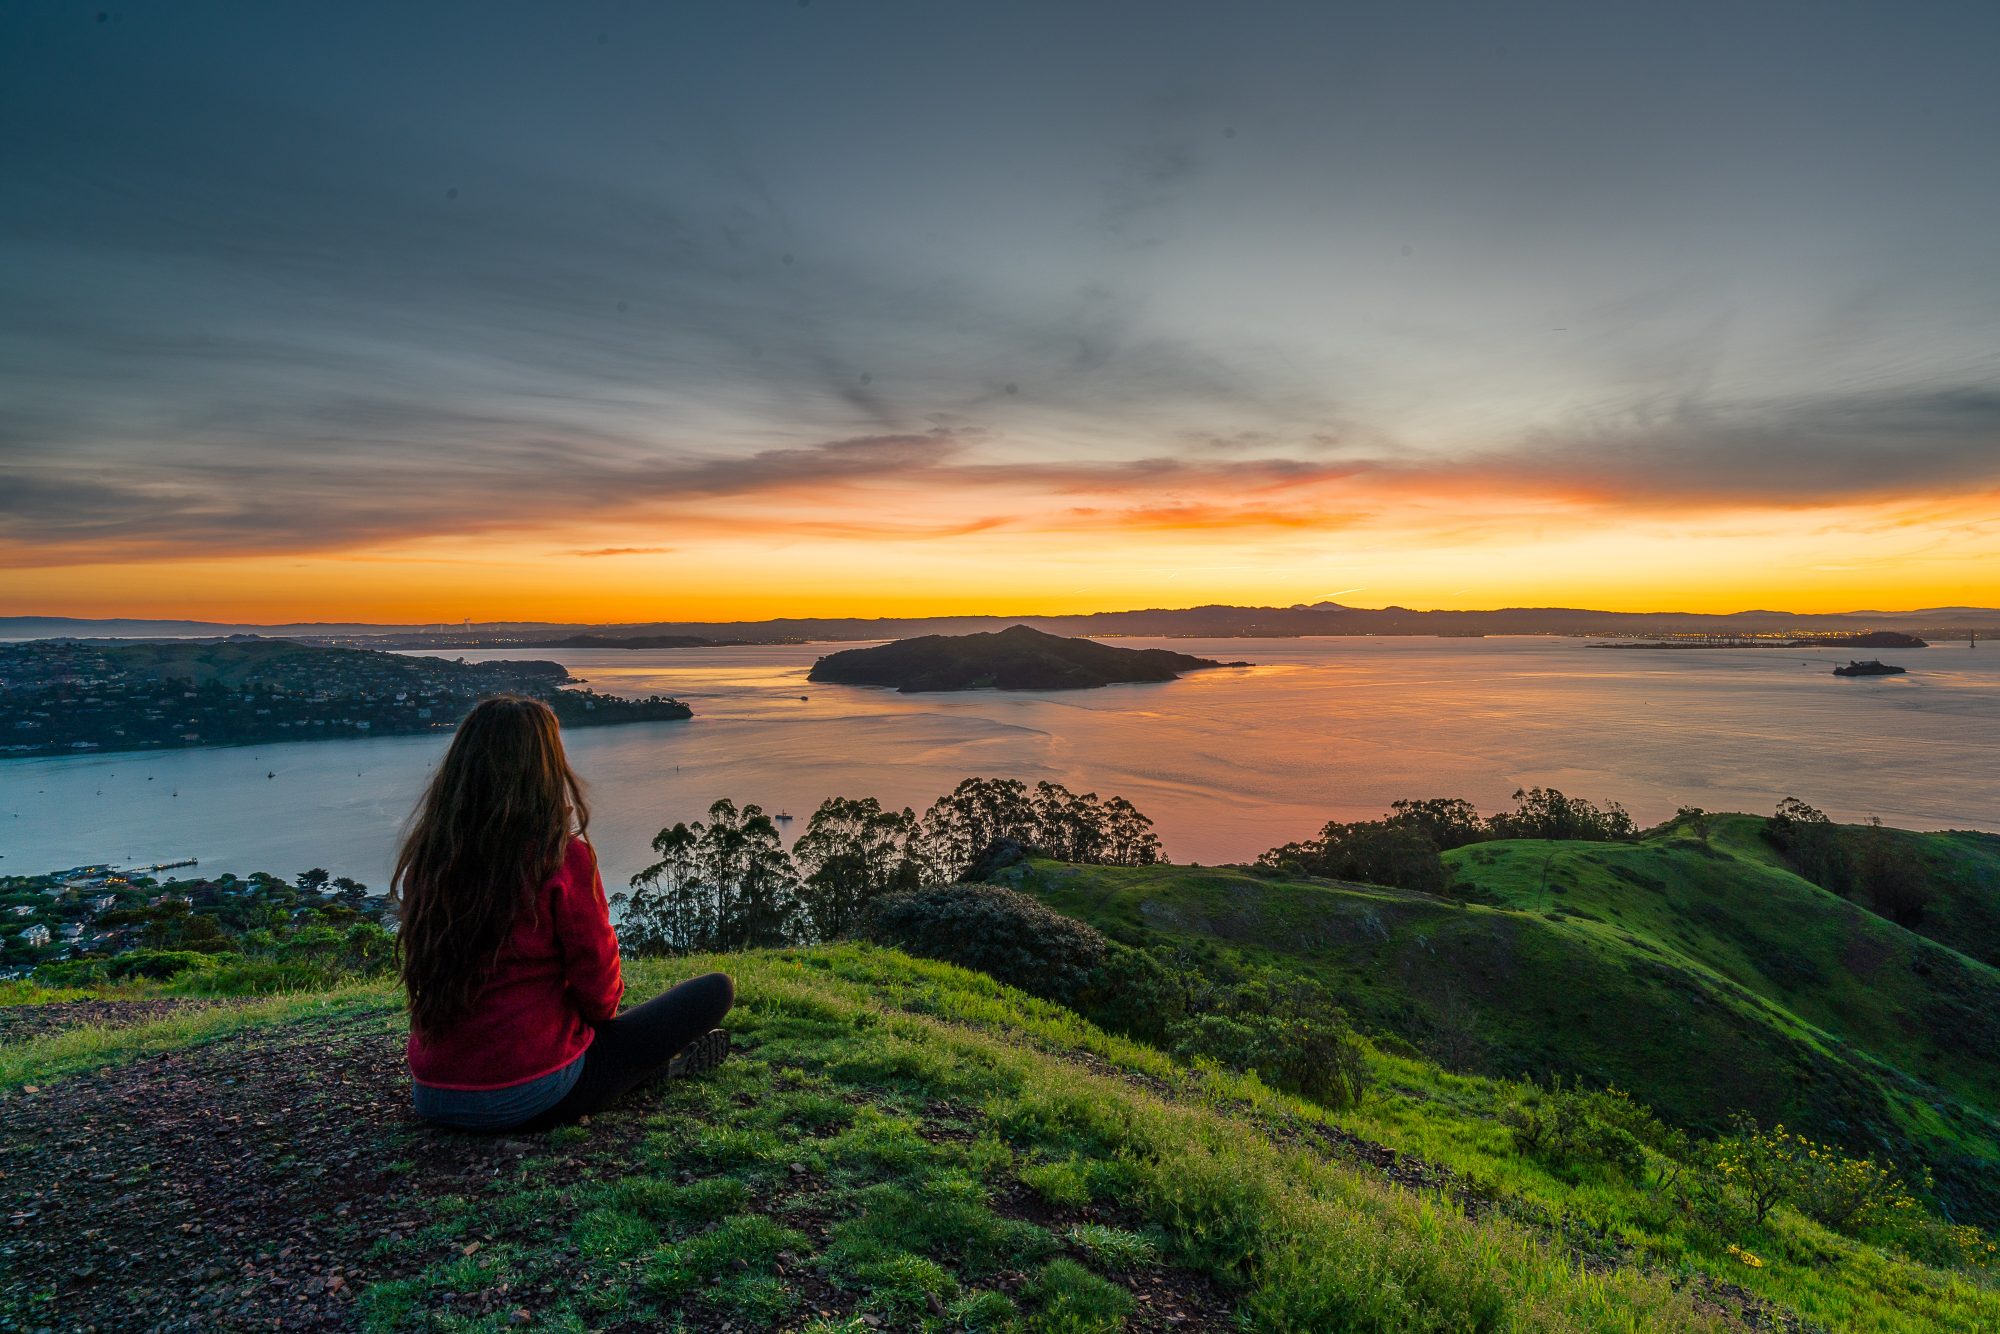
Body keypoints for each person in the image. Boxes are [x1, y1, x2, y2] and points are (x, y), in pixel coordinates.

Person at [394, 695, 733, 1131]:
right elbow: (601, 996)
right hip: (530, 1092)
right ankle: (652, 1071)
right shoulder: (559, 859)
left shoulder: (431, 857)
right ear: (546, 769)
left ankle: (635, 1070)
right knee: (714, 991)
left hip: (434, 1092)